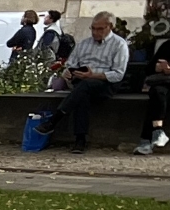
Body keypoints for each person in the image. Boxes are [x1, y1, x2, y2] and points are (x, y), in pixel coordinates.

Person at [47, 11, 127, 151]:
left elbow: (118, 74)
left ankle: (56, 120)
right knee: (82, 93)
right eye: (93, 28)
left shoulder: (119, 45)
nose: (95, 32)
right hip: (82, 81)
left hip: (105, 83)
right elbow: (71, 63)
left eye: (100, 29)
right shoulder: (83, 44)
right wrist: (69, 71)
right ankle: (79, 139)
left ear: (110, 27)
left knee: (85, 87)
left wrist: (93, 75)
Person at [135, 44, 170, 156]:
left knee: (158, 98)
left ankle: (146, 140)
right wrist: (157, 68)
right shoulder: (167, 46)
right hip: (165, 82)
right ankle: (157, 131)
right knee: (157, 93)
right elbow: (148, 69)